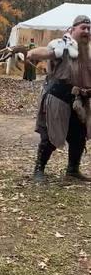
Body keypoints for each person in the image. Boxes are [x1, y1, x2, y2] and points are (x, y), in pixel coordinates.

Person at [28, 15, 91, 182]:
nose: (86, 31)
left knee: (79, 136)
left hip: (80, 101)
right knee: (50, 136)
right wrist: (55, 51)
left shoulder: (88, 50)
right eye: (83, 28)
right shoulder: (63, 46)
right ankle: (39, 170)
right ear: (73, 29)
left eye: (89, 28)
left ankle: (72, 170)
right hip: (58, 98)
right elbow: (34, 53)